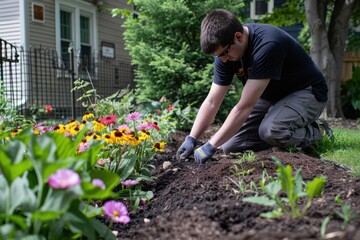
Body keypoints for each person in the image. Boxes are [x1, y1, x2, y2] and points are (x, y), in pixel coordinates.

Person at [176, 9, 333, 164]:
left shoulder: (268, 44)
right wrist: (192, 138)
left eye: (224, 54)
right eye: (218, 56)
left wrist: (210, 145)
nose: (223, 60)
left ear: (238, 37)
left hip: (307, 92)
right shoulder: (225, 53)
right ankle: (282, 132)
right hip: (271, 95)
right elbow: (212, 102)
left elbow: (245, 107)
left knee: (272, 131)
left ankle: (316, 132)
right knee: (231, 146)